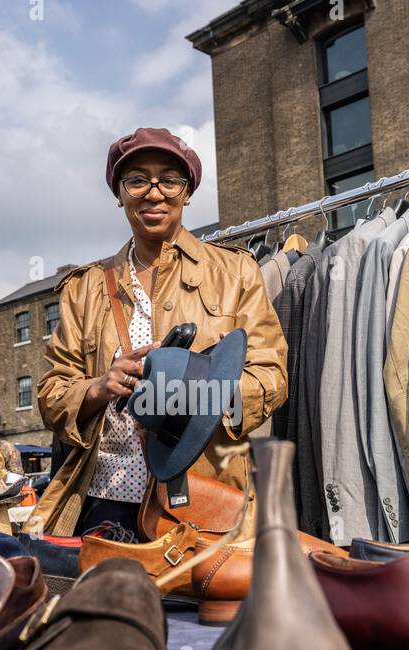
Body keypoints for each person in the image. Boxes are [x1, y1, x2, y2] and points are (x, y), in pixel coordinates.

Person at [28, 127, 287, 536]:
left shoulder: (235, 272)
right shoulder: (86, 288)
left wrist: (205, 392)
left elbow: (271, 374)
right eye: (137, 180)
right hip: (104, 499)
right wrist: (99, 387)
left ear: (186, 192)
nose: (154, 193)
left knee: (202, 602)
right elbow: (51, 393)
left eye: (169, 180)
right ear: (119, 194)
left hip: (205, 491)